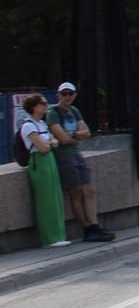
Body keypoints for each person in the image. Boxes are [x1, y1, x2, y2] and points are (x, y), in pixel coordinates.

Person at [45, 82, 115, 242]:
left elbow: (87, 133)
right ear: (58, 95)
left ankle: (95, 225)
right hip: (63, 157)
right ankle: (87, 228)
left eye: (70, 93)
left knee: (89, 190)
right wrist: (76, 135)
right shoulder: (53, 112)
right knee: (75, 192)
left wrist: (72, 135)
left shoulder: (75, 111)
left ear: (75, 95)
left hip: (76, 154)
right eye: (64, 94)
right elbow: (61, 138)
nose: (67, 97)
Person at [18, 96, 70, 247]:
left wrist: (50, 143)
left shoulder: (41, 124)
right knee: (46, 199)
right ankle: (50, 238)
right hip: (39, 161)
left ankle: (59, 235)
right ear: (34, 107)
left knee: (55, 197)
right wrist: (50, 143)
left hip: (49, 160)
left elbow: (53, 142)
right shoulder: (28, 126)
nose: (46, 105)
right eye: (43, 103)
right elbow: (43, 147)